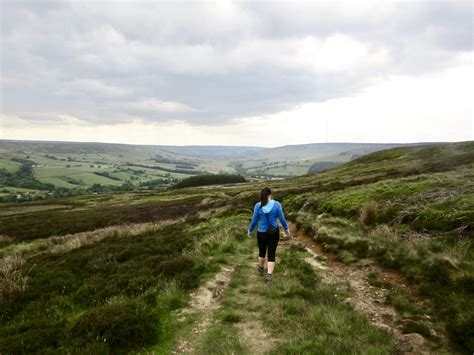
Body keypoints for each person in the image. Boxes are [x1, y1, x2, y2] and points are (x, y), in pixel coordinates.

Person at [247, 187, 290, 283]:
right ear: (270, 194)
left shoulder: (258, 206)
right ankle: (269, 276)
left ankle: (261, 268)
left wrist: (250, 230)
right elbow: (282, 219)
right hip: (273, 232)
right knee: (271, 254)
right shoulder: (277, 204)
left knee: (262, 252)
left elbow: (254, 220)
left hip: (261, 233)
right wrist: (286, 229)